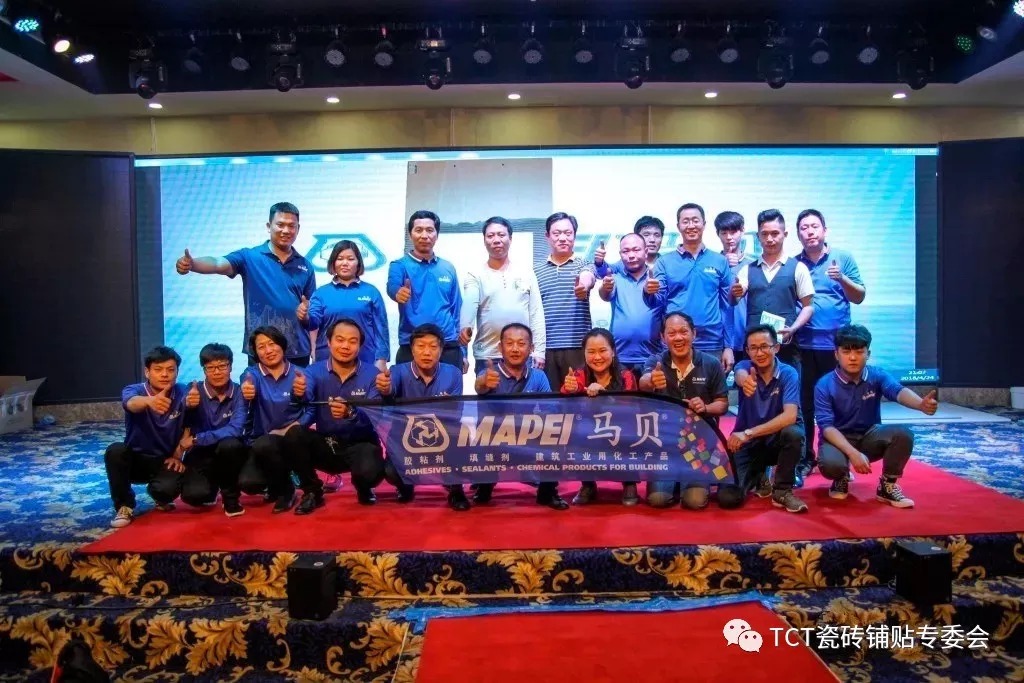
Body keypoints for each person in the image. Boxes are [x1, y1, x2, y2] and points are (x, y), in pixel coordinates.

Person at [175, 202, 316, 367]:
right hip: (261, 350)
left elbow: (312, 313)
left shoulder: (305, 266)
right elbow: (218, 263)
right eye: (280, 225)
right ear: (269, 226)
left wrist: (305, 315)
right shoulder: (249, 257)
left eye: (291, 226)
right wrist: (193, 264)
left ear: (298, 229)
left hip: (298, 350)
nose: (286, 230)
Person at [814, 324, 936, 508]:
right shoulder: (824, 385)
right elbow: (827, 427)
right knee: (831, 465)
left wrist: (920, 404)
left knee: (903, 435)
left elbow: (897, 391)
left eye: (859, 352)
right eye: (846, 352)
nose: (853, 357)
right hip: (838, 440)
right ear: (836, 354)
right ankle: (841, 476)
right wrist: (853, 454)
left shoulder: (877, 375)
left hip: (869, 436)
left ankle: (887, 486)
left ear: (868, 354)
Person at [283, 319, 387, 514]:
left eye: (352, 341)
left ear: (360, 345)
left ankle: (364, 487)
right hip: (327, 444)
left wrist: (350, 413)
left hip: (360, 443)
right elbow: (305, 395)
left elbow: (375, 416)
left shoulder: (372, 374)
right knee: (294, 435)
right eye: (340, 340)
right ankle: (312, 491)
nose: (345, 346)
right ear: (329, 342)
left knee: (370, 472)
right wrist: (299, 392)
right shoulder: (313, 371)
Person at [794, 209, 866, 480]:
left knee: (838, 405)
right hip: (804, 346)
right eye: (804, 227)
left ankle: (837, 458)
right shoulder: (794, 264)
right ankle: (806, 459)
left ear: (825, 230)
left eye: (814, 226)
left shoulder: (842, 258)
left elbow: (859, 296)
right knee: (805, 405)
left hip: (837, 349)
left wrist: (841, 278)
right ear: (798, 234)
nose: (810, 231)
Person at [639, 312, 735, 510]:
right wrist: (651, 381)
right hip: (665, 446)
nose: (678, 337)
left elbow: (723, 404)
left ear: (694, 334)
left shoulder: (711, 363)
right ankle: (673, 482)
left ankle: (688, 481)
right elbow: (643, 383)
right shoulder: (655, 362)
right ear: (663, 338)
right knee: (658, 500)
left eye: (684, 331)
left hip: (699, 446)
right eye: (671, 333)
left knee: (694, 502)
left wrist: (705, 408)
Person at [473, 323, 569, 510]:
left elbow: (550, 411)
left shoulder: (539, 377)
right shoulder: (489, 374)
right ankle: (485, 486)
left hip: (528, 438)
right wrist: (483, 383)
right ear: (500, 347)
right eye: (509, 343)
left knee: (555, 434)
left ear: (531, 348)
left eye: (521, 343)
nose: (515, 349)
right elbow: (479, 386)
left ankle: (547, 492)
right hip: (495, 441)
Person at [377, 323, 467, 510]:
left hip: (443, 436)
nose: (427, 352)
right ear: (412, 349)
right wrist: (385, 389)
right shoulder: (397, 372)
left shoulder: (454, 373)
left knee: (461, 434)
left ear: (441, 350)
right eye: (421, 346)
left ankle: (456, 489)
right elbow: (389, 391)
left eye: (433, 347)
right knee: (391, 472)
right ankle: (405, 485)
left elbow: (456, 413)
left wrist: (447, 408)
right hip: (406, 439)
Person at [103, 346, 190, 528]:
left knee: (167, 490)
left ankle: (159, 496)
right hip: (136, 460)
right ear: (147, 372)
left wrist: (178, 453)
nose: (164, 374)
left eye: (170, 369)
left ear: (177, 372)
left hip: (165, 460)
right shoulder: (134, 390)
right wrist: (150, 401)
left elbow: (191, 423)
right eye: (158, 369)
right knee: (115, 451)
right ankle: (124, 506)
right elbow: (131, 404)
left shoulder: (183, 392)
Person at [644, 203, 735, 374]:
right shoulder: (665, 262)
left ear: (704, 224)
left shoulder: (719, 261)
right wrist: (649, 291)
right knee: (675, 390)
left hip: (712, 343)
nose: (691, 225)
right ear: (678, 226)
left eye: (695, 220)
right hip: (676, 341)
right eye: (685, 221)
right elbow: (657, 302)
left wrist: (729, 346)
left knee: (712, 390)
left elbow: (727, 306)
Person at [729, 325, 807, 513]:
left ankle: (782, 491)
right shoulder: (745, 367)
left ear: (776, 347)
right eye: (753, 348)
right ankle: (760, 475)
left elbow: (790, 416)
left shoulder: (788, 373)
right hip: (749, 445)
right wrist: (745, 381)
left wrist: (748, 433)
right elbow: (740, 374)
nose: (759, 353)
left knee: (794, 433)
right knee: (729, 498)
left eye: (764, 346)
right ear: (747, 351)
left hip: (776, 440)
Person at [560, 328, 639, 506]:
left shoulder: (626, 376)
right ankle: (588, 484)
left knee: (631, 433)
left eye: (602, 351)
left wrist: (605, 397)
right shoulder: (579, 375)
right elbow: (566, 398)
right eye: (591, 352)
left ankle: (629, 482)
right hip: (589, 432)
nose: (597, 357)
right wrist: (569, 388)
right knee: (573, 433)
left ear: (613, 351)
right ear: (584, 354)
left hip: (620, 431)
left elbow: (630, 411)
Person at [238, 325, 310, 514]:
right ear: (255, 352)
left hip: (294, 440)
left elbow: (311, 410)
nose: (268, 350)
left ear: (282, 345)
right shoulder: (252, 374)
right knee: (249, 483)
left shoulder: (300, 374)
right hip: (263, 443)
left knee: (294, 440)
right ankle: (277, 483)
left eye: (272, 344)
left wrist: (294, 427)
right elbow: (247, 380)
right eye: (261, 347)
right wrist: (246, 388)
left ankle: (287, 490)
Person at [459, 216, 546, 374]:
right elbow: (469, 304)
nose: (496, 240)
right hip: (488, 356)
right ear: (484, 240)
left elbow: (536, 313)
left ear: (510, 239)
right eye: (490, 236)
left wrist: (539, 351)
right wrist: (466, 326)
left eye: (501, 235)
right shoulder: (475, 274)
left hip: (522, 354)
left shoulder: (526, 272)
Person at [386, 210, 464, 369]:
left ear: (437, 234)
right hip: (412, 344)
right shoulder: (399, 265)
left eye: (429, 230)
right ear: (410, 234)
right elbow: (392, 286)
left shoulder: (448, 268)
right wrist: (397, 292)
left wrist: (463, 351)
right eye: (418, 230)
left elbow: (456, 310)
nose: (424, 235)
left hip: (448, 345)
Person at [299, 239, 389, 371]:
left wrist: (382, 359)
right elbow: (313, 323)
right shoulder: (321, 293)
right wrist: (305, 317)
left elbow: (381, 329)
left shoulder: (371, 292)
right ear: (333, 263)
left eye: (350, 259)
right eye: (340, 259)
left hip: (365, 361)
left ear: (358, 263)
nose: (345, 263)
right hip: (327, 362)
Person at [179, 343, 248, 517]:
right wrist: (187, 405)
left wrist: (197, 439)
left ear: (230, 366)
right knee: (194, 495)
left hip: (229, 451)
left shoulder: (239, 392)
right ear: (204, 370)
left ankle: (230, 497)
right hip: (201, 453)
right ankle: (212, 486)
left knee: (230, 445)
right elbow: (180, 417)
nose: (217, 372)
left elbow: (236, 429)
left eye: (222, 366)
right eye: (210, 368)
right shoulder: (193, 390)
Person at [535, 212, 597, 390]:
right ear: (547, 236)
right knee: (549, 399)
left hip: (578, 347)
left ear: (574, 236)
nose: (563, 238)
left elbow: (588, 276)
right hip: (546, 349)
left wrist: (583, 286)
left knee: (579, 398)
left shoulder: (584, 264)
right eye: (556, 233)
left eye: (568, 233)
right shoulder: (536, 271)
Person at [599, 233, 662, 379]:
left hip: (653, 356)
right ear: (620, 254)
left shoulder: (658, 277)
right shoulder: (615, 278)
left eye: (636, 250)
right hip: (620, 357)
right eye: (625, 251)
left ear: (646, 252)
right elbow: (605, 295)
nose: (631, 255)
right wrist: (605, 288)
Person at [715, 211, 755, 364]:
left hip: (747, 338)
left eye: (733, 232)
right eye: (724, 233)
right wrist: (723, 263)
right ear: (718, 234)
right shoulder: (713, 263)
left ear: (742, 231)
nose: (729, 237)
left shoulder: (754, 265)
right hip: (719, 339)